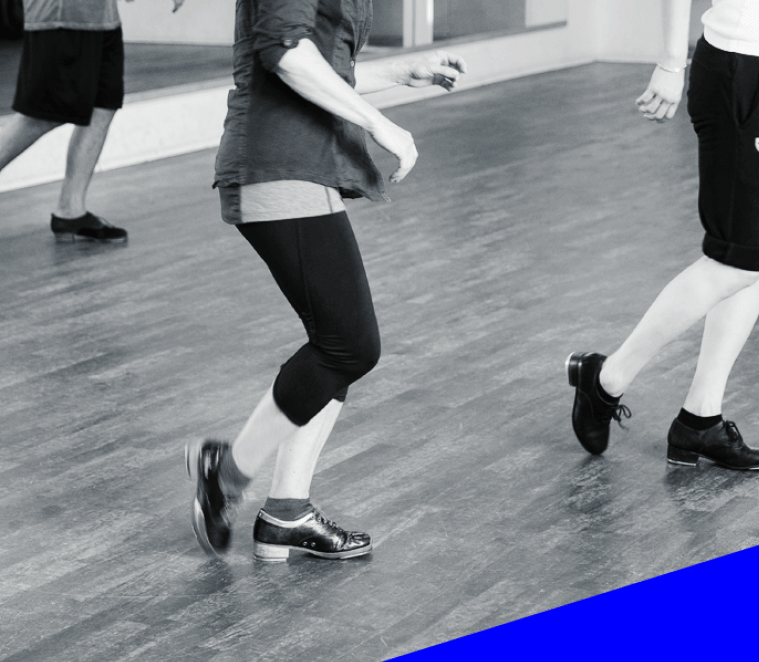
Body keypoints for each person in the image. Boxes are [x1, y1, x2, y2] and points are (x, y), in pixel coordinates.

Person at [187, 0, 466, 562]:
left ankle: (286, 511)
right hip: (274, 162)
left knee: (336, 340)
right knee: (349, 344)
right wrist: (380, 124)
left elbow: (318, 66)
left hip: (305, 167)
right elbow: (285, 54)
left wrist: (395, 74)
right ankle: (227, 472)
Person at [566, 0, 759, 471]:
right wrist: (670, 61)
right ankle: (606, 377)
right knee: (737, 259)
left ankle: (700, 418)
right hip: (743, 62)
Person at [0, 0, 184, 242]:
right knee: (40, 115)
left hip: (102, 16)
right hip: (63, 14)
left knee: (103, 105)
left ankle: (70, 211)